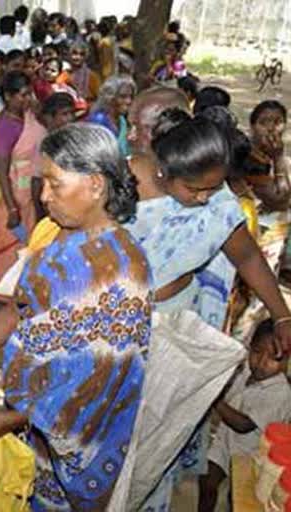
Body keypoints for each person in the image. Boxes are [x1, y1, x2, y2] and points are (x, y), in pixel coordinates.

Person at [0, 123, 152, 510]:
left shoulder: (120, 274)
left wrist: (14, 417)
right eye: (43, 181)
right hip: (32, 418)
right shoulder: (59, 236)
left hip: (76, 438)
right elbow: (20, 308)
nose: (44, 195)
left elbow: (93, 385)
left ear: (95, 184)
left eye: (55, 183)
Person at [124, 89, 291, 509]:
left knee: (159, 440)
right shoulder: (119, 186)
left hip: (176, 334)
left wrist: (283, 315)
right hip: (120, 332)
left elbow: (249, 255)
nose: (206, 197)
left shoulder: (213, 198)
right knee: (116, 435)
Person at [199, 319, 291, 512]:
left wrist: (214, 399)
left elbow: (244, 425)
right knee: (207, 482)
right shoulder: (245, 369)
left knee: (240, 497)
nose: (262, 362)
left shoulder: (281, 392)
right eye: (257, 352)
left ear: (287, 361)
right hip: (224, 441)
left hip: (251, 454)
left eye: (274, 358)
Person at [0, 71, 47, 296]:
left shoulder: (29, 117)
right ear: (7, 96)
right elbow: (1, 169)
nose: (27, 99)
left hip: (29, 193)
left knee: (27, 245)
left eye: (29, 94)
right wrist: (12, 206)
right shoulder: (5, 126)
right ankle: (3, 293)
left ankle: (19, 292)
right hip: (13, 193)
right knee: (10, 245)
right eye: (22, 95)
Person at [86, 74, 136, 156]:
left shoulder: (122, 121)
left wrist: (130, 142)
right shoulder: (98, 121)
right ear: (110, 98)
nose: (128, 101)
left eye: (131, 97)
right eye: (123, 97)